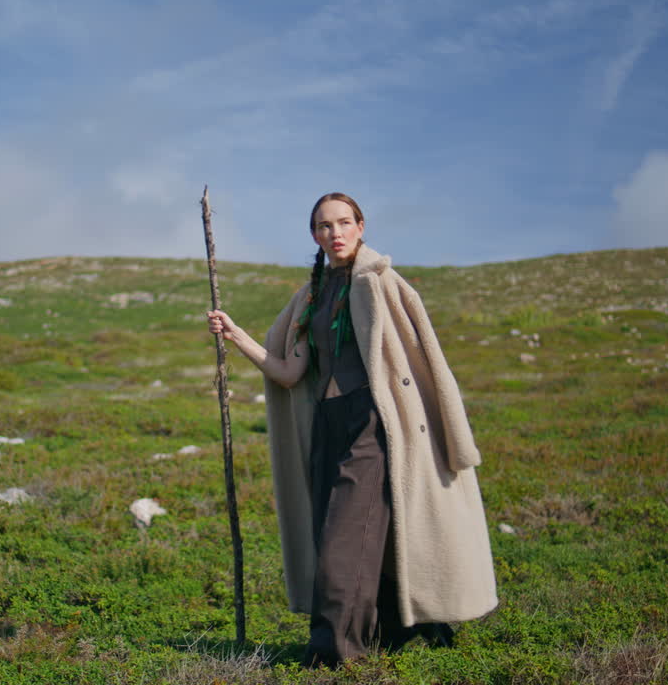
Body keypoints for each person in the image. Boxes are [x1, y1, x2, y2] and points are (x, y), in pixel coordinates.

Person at [207, 192, 497, 666]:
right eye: (324, 226)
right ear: (314, 236)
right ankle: (405, 631)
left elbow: (421, 363)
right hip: (328, 426)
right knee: (352, 536)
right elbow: (288, 372)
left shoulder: (380, 283)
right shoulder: (311, 297)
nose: (335, 233)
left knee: (343, 544)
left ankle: (333, 656)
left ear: (361, 227)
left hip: (372, 425)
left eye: (344, 223)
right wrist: (236, 334)